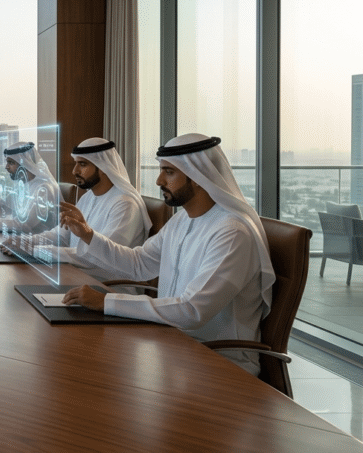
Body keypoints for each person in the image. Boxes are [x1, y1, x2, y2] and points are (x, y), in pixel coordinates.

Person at [59, 133, 275, 375]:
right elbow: (139, 264)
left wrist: (106, 301)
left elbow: (192, 310)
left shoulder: (233, 232)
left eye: (169, 172)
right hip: (171, 344)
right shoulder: (182, 220)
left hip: (218, 360)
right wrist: (88, 235)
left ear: (198, 176)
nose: (159, 180)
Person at [4, 138, 151, 280]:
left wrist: (36, 251)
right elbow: (61, 235)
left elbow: (101, 257)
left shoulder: (125, 205)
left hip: (106, 286)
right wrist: (25, 241)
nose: (75, 171)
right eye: (76, 164)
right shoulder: (88, 197)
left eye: (82, 164)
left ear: (103, 167)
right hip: (74, 275)